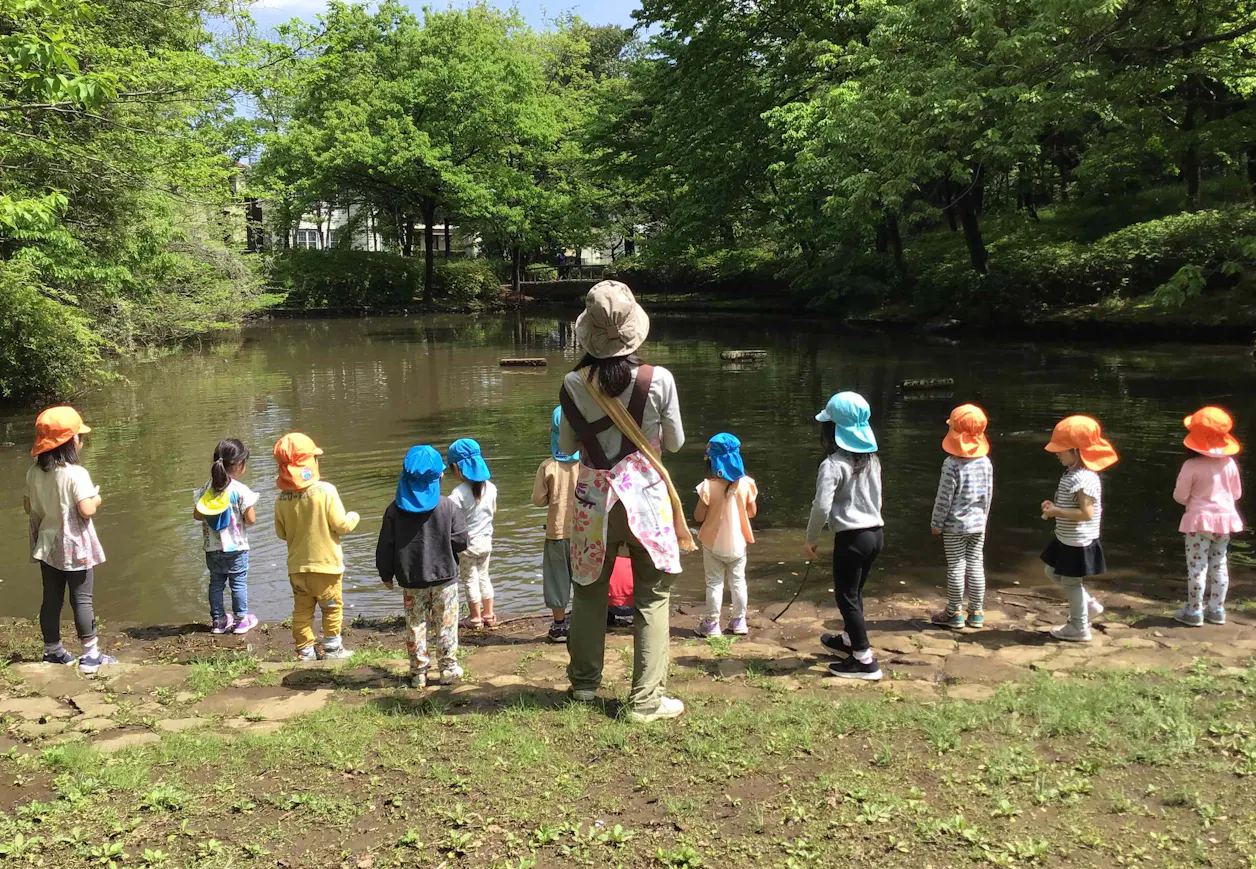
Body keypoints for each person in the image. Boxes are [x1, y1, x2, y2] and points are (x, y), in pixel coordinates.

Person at [558, 280, 690, 722]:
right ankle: (647, 700)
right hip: (646, 502)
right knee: (652, 598)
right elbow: (674, 441)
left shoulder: (573, 382)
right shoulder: (660, 380)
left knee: (589, 591)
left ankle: (583, 685)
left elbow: (568, 445)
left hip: (595, 500)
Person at [24, 406, 115, 675]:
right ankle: (90, 656)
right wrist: (96, 498)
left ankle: (53, 652)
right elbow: (86, 510)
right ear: (72, 442)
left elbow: (28, 506)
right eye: (80, 436)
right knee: (82, 599)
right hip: (74, 545)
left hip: (47, 544)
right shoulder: (76, 473)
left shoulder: (33, 472)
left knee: (51, 598)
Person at [805, 392, 884, 681]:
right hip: (875, 534)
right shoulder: (872, 460)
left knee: (846, 596)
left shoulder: (832, 464)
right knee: (856, 592)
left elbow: (822, 506)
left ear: (832, 430)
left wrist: (811, 538)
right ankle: (850, 640)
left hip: (851, 539)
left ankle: (864, 660)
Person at [376, 445, 470, 687]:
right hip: (445, 578)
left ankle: (419, 672)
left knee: (415, 624)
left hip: (411, 579)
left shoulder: (394, 510)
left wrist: (386, 574)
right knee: (446, 623)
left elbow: (385, 545)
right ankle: (448, 668)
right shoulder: (447, 506)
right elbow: (461, 541)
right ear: (439, 476)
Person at [273, 433, 360, 661]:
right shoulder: (326, 491)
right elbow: (341, 525)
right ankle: (332, 649)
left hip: (297, 570)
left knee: (302, 611)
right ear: (310, 463)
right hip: (326, 569)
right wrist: (354, 516)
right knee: (331, 608)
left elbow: (281, 534)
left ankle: (304, 651)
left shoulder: (281, 500)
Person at [1040, 415, 1118, 643]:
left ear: (1076, 450)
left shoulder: (1083, 479)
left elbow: (1087, 513)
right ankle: (1089, 605)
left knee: (1072, 583)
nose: (1056, 453)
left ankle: (1078, 627)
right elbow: (1071, 505)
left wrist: (1058, 512)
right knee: (1051, 572)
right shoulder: (1073, 474)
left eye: (1061, 450)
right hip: (1066, 537)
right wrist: (1054, 507)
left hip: (1077, 541)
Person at [1173, 407, 1243, 626]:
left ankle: (1194, 612)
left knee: (1197, 567)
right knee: (1220, 564)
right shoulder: (1229, 463)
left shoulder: (1190, 465)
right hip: (1224, 521)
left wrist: (1193, 502)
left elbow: (1180, 496)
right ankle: (1217, 609)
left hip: (1198, 522)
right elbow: (1237, 493)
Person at [929, 405, 994, 629]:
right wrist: (984, 519)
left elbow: (944, 497)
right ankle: (976, 613)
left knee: (956, 566)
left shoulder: (951, 464)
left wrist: (936, 523)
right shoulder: (985, 462)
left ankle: (954, 613)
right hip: (978, 524)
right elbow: (988, 494)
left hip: (954, 526)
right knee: (976, 564)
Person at [193, 438, 260, 635]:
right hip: (236, 547)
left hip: (212, 548)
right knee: (238, 583)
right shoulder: (239, 490)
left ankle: (218, 621)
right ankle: (240, 620)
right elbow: (251, 520)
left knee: (216, 583)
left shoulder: (207, 488)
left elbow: (197, 515)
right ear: (240, 464)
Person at [694, 433, 758, 637]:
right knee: (738, 581)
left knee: (714, 583)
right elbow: (751, 513)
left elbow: (698, 517)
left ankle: (712, 623)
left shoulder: (707, 486)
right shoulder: (747, 484)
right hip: (738, 543)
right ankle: (739, 621)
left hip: (713, 543)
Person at [532, 407, 581, 642]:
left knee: (557, 579)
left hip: (557, 532)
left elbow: (538, 500)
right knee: (585, 577)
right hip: (585, 531)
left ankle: (559, 626)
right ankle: (585, 621)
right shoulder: (589, 464)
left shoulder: (547, 466)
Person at [447, 438, 498, 628]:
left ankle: (475, 618)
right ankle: (489, 615)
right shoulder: (491, 488)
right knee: (484, 576)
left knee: (469, 579)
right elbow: (493, 511)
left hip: (467, 545)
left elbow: (451, 520)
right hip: (486, 542)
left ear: (456, 467)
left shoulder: (457, 494)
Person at [607, 547, 635, 628]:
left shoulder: (606, 561)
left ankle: (608, 619)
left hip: (609, 605)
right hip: (634, 606)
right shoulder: (638, 562)